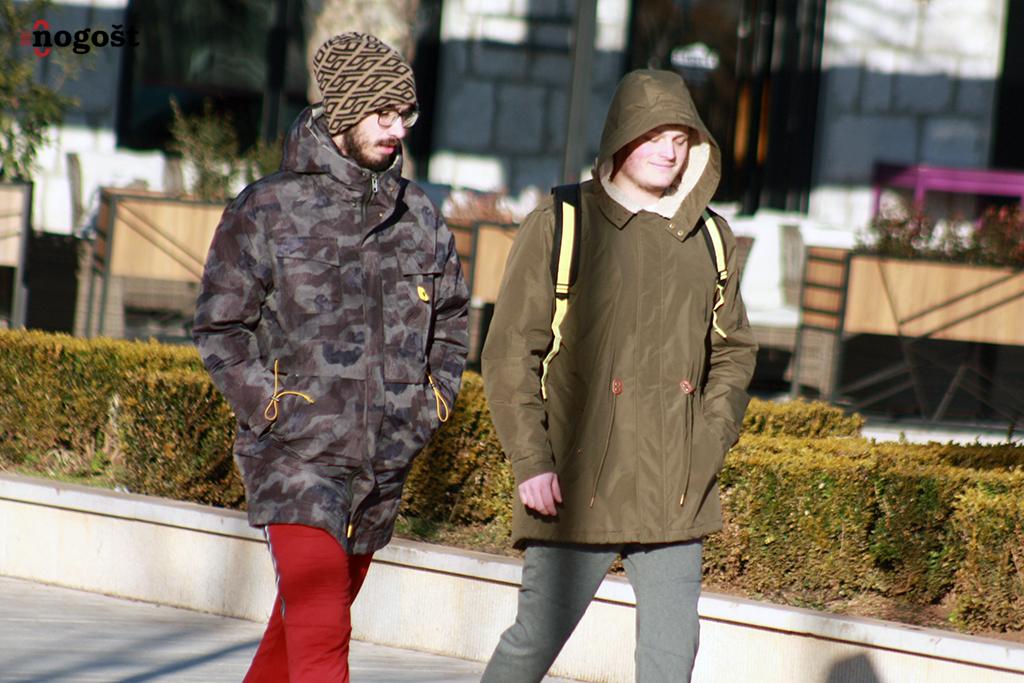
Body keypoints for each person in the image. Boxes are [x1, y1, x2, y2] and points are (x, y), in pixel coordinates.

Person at [192, 32, 468, 683]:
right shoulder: (268, 208)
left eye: (405, 114)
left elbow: (453, 321)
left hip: (382, 464)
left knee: (297, 635)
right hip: (295, 457)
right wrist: (272, 407)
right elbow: (220, 325)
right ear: (343, 112)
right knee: (323, 633)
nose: (398, 129)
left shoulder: (420, 217)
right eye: (383, 113)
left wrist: (429, 403)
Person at [479, 69, 758, 682]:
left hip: (675, 486)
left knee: (671, 660)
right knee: (532, 645)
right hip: (576, 483)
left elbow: (734, 350)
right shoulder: (562, 221)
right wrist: (531, 462)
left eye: (680, 138)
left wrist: (707, 441)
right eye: (652, 135)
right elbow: (510, 354)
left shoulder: (712, 236)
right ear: (620, 139)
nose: (668, 151)